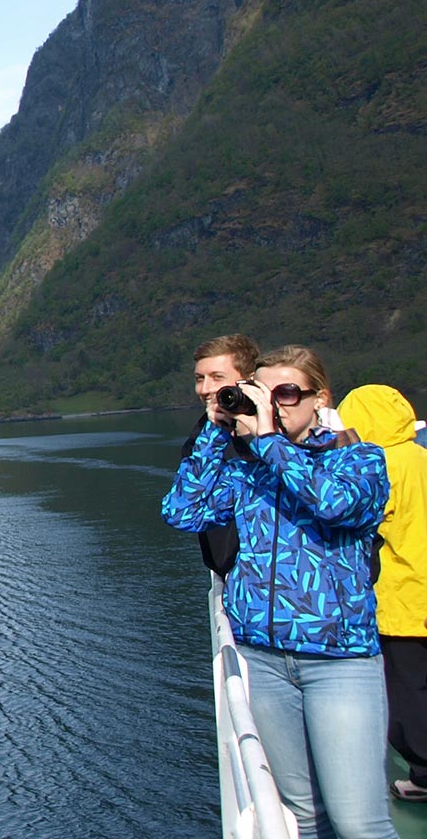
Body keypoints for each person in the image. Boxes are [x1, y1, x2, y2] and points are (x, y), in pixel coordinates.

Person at [162, 344, 395, 839]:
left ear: (320, 398)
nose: (277, 404)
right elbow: (183, 512)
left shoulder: (358, 461)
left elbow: (332, 504)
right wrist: (214, 429)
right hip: (264, 662)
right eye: (265, 394)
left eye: (288, 393)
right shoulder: (250, 471)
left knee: (360, 825)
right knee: (303, 818)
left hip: (338, 663)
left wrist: (266, 437)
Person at [337, 385, 427, 803]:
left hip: (403, 599)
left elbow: (364, 529)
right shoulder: (421, 456)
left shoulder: (379, 468)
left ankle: (423, 774)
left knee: (408, 692)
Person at [185, 334, 261, 574]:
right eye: (200, 379)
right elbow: (181, 513)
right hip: (234, 579)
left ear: (249, 380)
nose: (205, 389)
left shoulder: (289, 433)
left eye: (217, 377)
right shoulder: (199, 441)